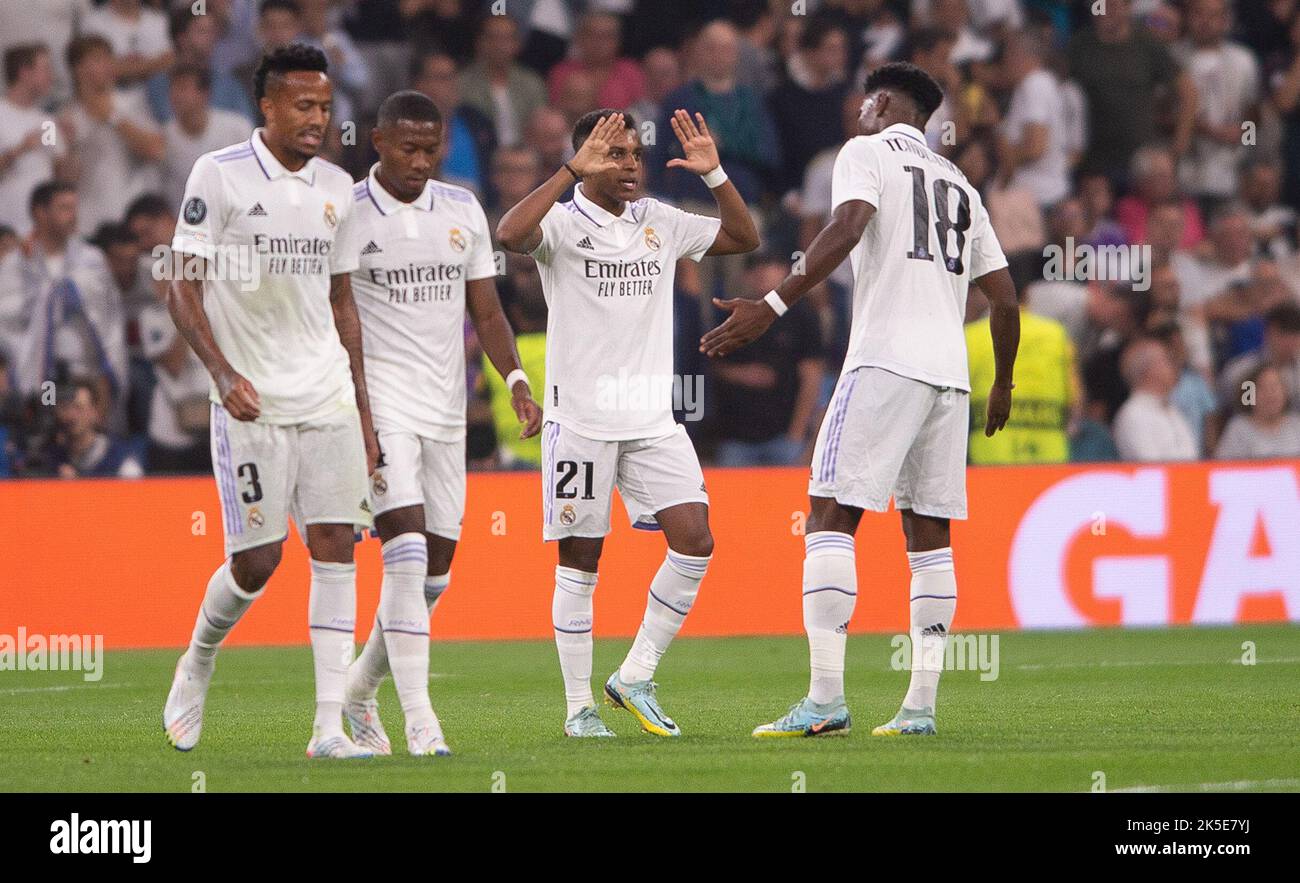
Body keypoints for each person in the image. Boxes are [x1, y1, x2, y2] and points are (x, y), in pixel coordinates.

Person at [701, 62, 1018, 739]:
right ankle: (920, 708)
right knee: (929, 534)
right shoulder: (960, 182)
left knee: (828, 512)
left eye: (866, 100)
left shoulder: (865, 153)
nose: (859, 110)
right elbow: (1006, 297)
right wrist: (1004, 382)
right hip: (951, 377)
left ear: (881, 104)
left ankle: (824, 699)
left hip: (885, 360)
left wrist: (773, 303)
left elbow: (846, 226)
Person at [497, 108, 758, 738]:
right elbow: (508, 233)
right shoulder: (558, 224)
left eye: (635, 154)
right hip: (580, 420)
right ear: (585, 158)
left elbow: (743, 238)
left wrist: (715, 172)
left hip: (652, 419)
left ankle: (635, 675)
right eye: (614, 155)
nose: (630, 166)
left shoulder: (659, 222)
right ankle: (578, 709)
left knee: (696, 540)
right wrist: (567, 170)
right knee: (581, 563)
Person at [161, 45, 380, 760]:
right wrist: (222, 374)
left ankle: (327, 729)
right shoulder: (217, 176)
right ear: (268, 105)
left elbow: (343, 301)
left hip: (326, 396)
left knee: (336, 546)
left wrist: (364, 408)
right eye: (303, 106)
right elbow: (180, 284)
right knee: (257, 562)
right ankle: (197, 659)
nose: (317, 119)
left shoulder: (336, 187)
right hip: (252, 401)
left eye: (324, 107)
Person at [341, 91, 542, 758]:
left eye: (432, 149)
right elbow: (335, 314)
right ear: (378, 141)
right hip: (381, 407)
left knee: (436, 571)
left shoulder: (461, 210)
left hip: (445, 411)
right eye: (408, 148)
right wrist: (354, 410)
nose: (421, 160)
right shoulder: (347, 211)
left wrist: (514, 381)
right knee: (403, 548)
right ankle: (422, 719)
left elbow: (486, 311)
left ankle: (359, 689)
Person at [1112, 337, 1198, 462]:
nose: (1174, 366)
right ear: (1149, 370)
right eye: (1167, 361)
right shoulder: (1133, 414)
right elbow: (1150, 466)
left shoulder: (1172, 409)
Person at [50, 377, 143, 479]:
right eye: (66, 407)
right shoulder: (51, 458)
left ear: (94, 412)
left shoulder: (121, 463)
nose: (71, 416)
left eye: (79, 408)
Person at [1215, 364, 1300, 459]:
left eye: (1275, 387)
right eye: (1263, 388)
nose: (1270, 394)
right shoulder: (1238, 428)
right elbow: (1223, 467)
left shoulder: (1297, 425)